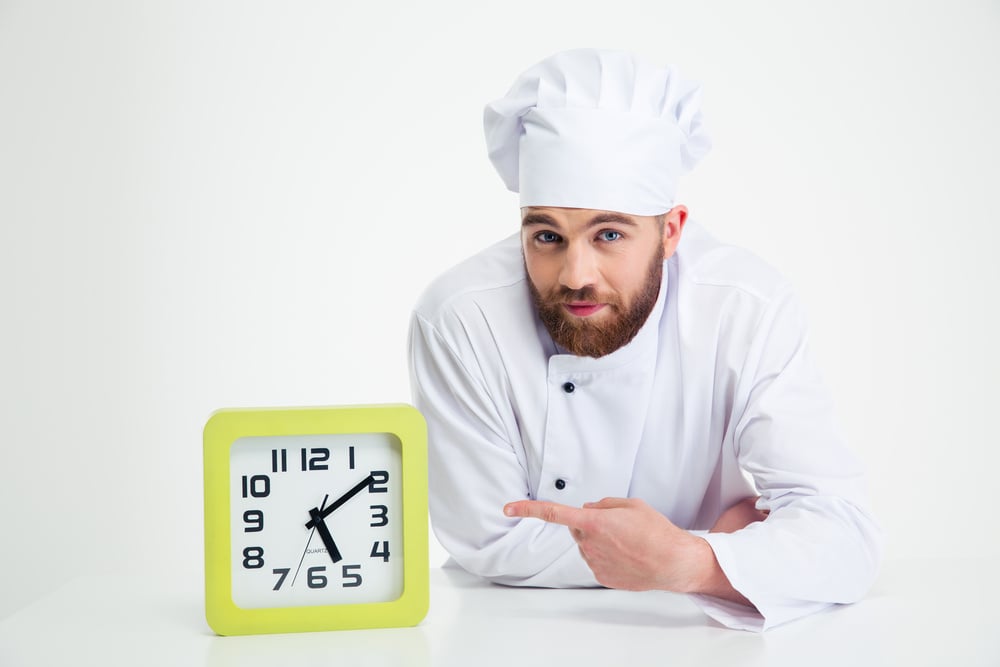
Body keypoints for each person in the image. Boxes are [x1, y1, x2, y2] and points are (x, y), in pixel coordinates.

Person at [407, 48, 882, 631]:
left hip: (701, 641)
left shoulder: (744, 309)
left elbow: (845, 533)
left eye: (609, 233)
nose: (576, 274)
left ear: (671, 232)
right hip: (499, 630)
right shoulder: (460, 317)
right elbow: (486, 538)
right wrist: (714, 550)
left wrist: (690, 563)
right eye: (547, 236)